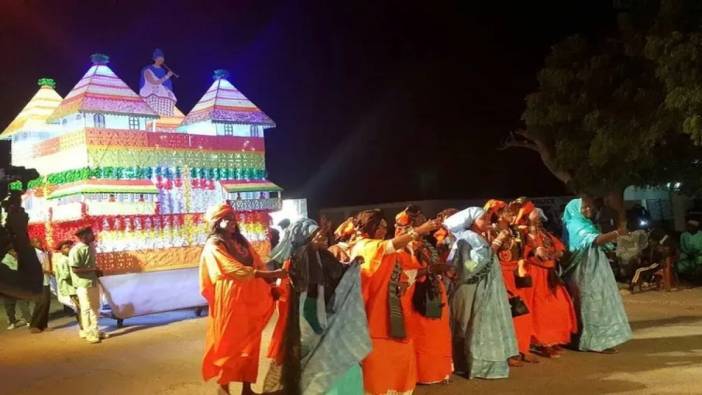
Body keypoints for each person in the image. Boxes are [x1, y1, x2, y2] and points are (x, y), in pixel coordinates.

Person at [265, 218, 371, 395]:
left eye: (321, 235)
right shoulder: (302, 256)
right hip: (310, 311)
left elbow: (337, 272)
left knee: (330, 353)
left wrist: (352, 265)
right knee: (315, 353)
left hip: (325, 310)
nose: (322, 238)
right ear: (305, 240)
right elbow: (311, 281)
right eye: (315, 236)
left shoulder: (323, 255)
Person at [199, 203, 287, 395]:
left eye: (232, 218)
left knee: (251, 342)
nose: (231, 222)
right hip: (230, 298)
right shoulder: (214, 245)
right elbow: (232, 269)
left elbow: (257, 262)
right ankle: (224, 388)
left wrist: (270, 284)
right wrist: (266, 275)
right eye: (226, 219)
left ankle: (247, 387)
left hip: (250, 295)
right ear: (217, 222)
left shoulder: (240, 240)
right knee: (230, 343)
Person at [349, 209, 439, 395]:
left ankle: (397, 389)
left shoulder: (380, 245)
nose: (383, 229)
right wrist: (420, 230)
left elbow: (399, 270)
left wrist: (406, 280)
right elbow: (389, 247)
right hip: (372, 310)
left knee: (400, 351)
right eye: (379, 226)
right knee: (378, 357)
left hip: (391, 306)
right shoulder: (363, 245)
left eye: (384, 226)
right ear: (368, 226)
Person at [444, 207, 518, 379]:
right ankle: (464, 364)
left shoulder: (478, 237)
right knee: (465, 324)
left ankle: (478, 363)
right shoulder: (466, 239)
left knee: (476, 324)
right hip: (470, 286)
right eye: (483, 219)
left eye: (488, 218)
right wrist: (496, 243)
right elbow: (469, 266)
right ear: (472, 222)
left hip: (484, 286)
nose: (487, 222)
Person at [561, 197, 632, 353]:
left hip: (595, 268)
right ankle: (589, 341)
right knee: (589, 304)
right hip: (584, 270)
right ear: (575, 210)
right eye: (584, 208)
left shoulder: (586, 224)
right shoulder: (574, 224)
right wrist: (617, 233)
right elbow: (594, 241)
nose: (588, 210)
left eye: (589, 208)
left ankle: (599, 339)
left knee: (598, 302)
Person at [395, 207, 453, 385]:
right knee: (419, 337)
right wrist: (428, 270)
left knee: (437, 334)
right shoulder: (397, 248)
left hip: (434, 293)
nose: (424, 228)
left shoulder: (427, 245)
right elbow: (400, 275)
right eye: (417, 225)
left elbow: (435, 266)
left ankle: (438, 371)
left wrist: (443, 270)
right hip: (413, 298)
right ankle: (421, 374)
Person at [484, 199, 537, 365]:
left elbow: (530, 246)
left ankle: (523, 349)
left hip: (516, 275)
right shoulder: (490, 232)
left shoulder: (515, 231)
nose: (511, 213)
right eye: (506, 210)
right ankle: (509, 353)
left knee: (522, 313)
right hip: (500, 276)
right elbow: (485, 255)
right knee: (507, 315)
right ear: (498, 214)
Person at [523, 207, 577, 357]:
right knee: (541, 310)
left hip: (549, 274)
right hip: (535, 275)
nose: (539, 220)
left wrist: (554, 253)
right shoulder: (523, 234)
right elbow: (529, 253)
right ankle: (543, 342)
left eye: (539, 218)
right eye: (535, 218)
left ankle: (554, 340)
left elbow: (559, 248)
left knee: (560, 305)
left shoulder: (544, 234)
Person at [69, 227, 104, 344]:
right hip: (83, 284)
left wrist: (96, 270)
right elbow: (75, 269)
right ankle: (89, 333)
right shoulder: (76, 250)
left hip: (92, 282)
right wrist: (93, 269)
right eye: (90, 234)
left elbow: (91, 265)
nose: (93, 235)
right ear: (84, 236)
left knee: (95, 307)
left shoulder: (90, 247)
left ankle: (95, 330)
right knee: (86, 309)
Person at [53, 240, 82, 329]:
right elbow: (65, 275)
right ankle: (84, 328)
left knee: (80, 308)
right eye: (65, 247)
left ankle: (84, 327)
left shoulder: (70, 258)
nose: (68, 249)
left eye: (69, 247)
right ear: (61, 250)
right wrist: (76, 271)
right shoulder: (63, 261)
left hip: (75, 286)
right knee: (80, 308)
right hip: (71, 288)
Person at [139, 48, 176, 116]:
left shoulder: (162, 70)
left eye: (162, 59)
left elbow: (166, 83)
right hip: (150, 91)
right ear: (154, 59)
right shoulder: (148, 69)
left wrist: (169, 91)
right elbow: (154, 82)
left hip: (161, 91)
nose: (160, 60)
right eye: (159, 58)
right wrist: (167, 76)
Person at [2, 249, 32, 329]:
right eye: (13, 251)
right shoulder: (5, 260)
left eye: (16, 251)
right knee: (9, 306)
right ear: (9, 252)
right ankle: (12, 322)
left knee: (23, 304)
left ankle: (28, 320)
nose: (15, 253)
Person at [28, 238, 51, 333]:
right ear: (32, 244)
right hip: (38, 282)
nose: (40, 242)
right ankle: (34, 325)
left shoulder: (43, 252)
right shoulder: (33, 254)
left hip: (46, 280)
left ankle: (43, 325)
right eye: (37, 241)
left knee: (46, 303)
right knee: (41, 303)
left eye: (40, 241)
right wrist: (46, 271)